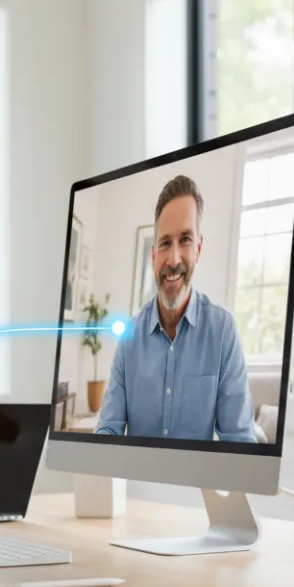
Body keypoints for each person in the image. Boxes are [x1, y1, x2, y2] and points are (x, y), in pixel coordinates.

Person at [95, 174, 256, 442]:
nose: (174, 259)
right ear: (153, 254)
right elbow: (108, 429)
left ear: (199, 249)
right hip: (137, 483)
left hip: (197, 485)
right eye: (165, 243)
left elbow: (240, 442)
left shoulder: (222, 331)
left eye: (185, 240)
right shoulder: (129, 338)